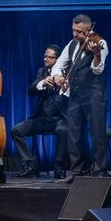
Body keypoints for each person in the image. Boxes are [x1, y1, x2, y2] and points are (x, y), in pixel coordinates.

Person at [51, 14, 109, 181]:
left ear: (89, 29)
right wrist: (57, 77)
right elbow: (58, 65)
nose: (75, 34)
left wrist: (96, 54)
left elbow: (98, 69)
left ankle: (100, 170)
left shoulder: (100, 43)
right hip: (76, 95)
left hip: (94, 94)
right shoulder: (71, 45)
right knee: (73, 133)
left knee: (97, 133)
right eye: (73, 30)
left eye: (79, 31)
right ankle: (76, 170)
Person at [11, 45, 68, 178]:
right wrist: (41, 83)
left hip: (60, 118)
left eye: (50, 57)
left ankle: (58, 167)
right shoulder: (42, 72)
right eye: (45, 56)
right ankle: (30, 165)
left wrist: (65, 86)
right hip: (41, 118)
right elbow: (31, 91)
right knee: (16, 130)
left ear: (58, 59)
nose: (45, 59)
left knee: (63, 131)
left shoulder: (66, 72)